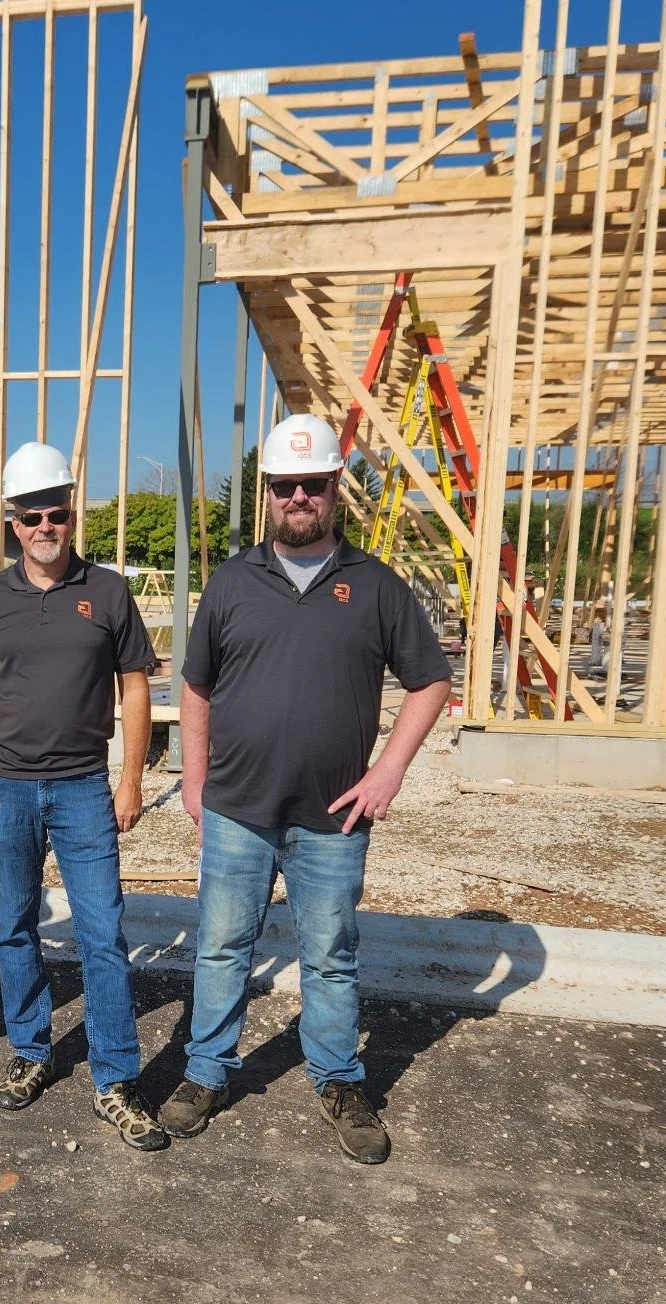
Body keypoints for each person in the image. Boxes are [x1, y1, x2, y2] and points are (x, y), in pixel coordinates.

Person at [160, 413, 453, 1164]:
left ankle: (339, 1080)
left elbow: (430, 682)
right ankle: (206, 1071)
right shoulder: (233, 582)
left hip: (332, 819)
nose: (298, 497)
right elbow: (195, 687)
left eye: (312, 485)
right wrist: (194, 779)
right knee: (222, 948)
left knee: (330, 955)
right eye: (285, 485)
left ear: (333, 489)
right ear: (266, 492)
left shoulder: (375, 586)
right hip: (237, 810)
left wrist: (388, 771)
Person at [0, 441, 166, 1152]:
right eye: (30, 516)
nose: (45, 526)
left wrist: (131, 779)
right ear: (11, 523)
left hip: (82, 788)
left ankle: (116, 1079)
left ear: (72, 515)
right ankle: (31, 1050)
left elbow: (135, 687)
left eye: (56, 513)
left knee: (102, 933)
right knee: (14, 923)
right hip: (4, 787)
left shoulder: (107, 592)